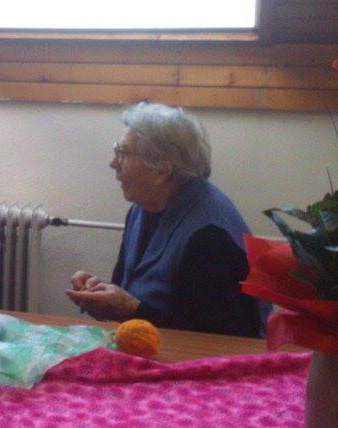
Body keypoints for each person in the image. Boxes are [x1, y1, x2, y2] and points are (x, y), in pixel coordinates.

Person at [66, 102, 265, 337]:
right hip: (148, 344)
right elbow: (130, 292)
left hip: (202, 356)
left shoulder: (209, 236)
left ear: (162, 171)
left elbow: (217, 337)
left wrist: (132, 310)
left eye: (124, 153)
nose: (113, 163)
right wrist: (98, 293)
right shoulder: (142, 208)